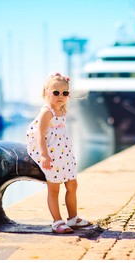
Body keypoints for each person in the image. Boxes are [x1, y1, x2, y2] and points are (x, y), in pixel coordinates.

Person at [26, 73, 91, 234]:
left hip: (64, 153)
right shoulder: (47, 112)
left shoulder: (61, 110)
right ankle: (57, 221)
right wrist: (44, 155)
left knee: (72, 185)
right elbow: (40, 135)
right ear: (46, 92)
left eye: (65, 93)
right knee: (54, 189)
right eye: (56, 92)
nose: (60, 96)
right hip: (51, 154)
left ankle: (73, 218)